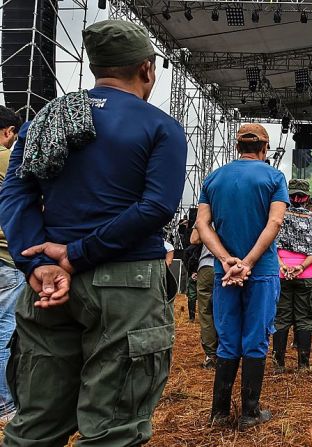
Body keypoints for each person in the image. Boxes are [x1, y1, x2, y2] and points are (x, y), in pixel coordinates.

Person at [0, 20, 187, 445]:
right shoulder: (160, 127)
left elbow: (14, 194)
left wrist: (40, 262)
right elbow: (156, 207)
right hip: (127, 285)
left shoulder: (45, 120)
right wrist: (77, 254)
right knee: (113, 430)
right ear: (147, 69)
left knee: (36, 425)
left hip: (47, 287)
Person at [196, 123, 289, 430]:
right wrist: (248, 263)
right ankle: (250, 411)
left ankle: (219, 412)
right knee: (255, 340)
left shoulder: (214, 178)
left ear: (238, 147)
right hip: (260, 271)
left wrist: (225, 260)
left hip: (225, 272)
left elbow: (202, 225)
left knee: (227, 339)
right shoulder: (274, 177)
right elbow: (274, 224)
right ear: (265, 149)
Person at [272, 179, 312, 372]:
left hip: (281, 274)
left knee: (281, 318)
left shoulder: (278, 217)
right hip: (307, 275)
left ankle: (279, 364)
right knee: (305, 320)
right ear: (306, 198)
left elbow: (271, 246)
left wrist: (284, 266)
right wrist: (301, 267)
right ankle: (303, 364)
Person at [0, 105, 22, 422]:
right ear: (8, 132)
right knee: (6, 332)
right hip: (5, 258)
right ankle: (5, 404)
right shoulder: (7, 159)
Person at [190, 228, 219, 368]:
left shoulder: (206, 211)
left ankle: (210, 355)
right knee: (226, 310)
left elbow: (194, 239)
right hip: (230, 265)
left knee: (206, 312)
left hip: (207, 265)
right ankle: (226, 353)